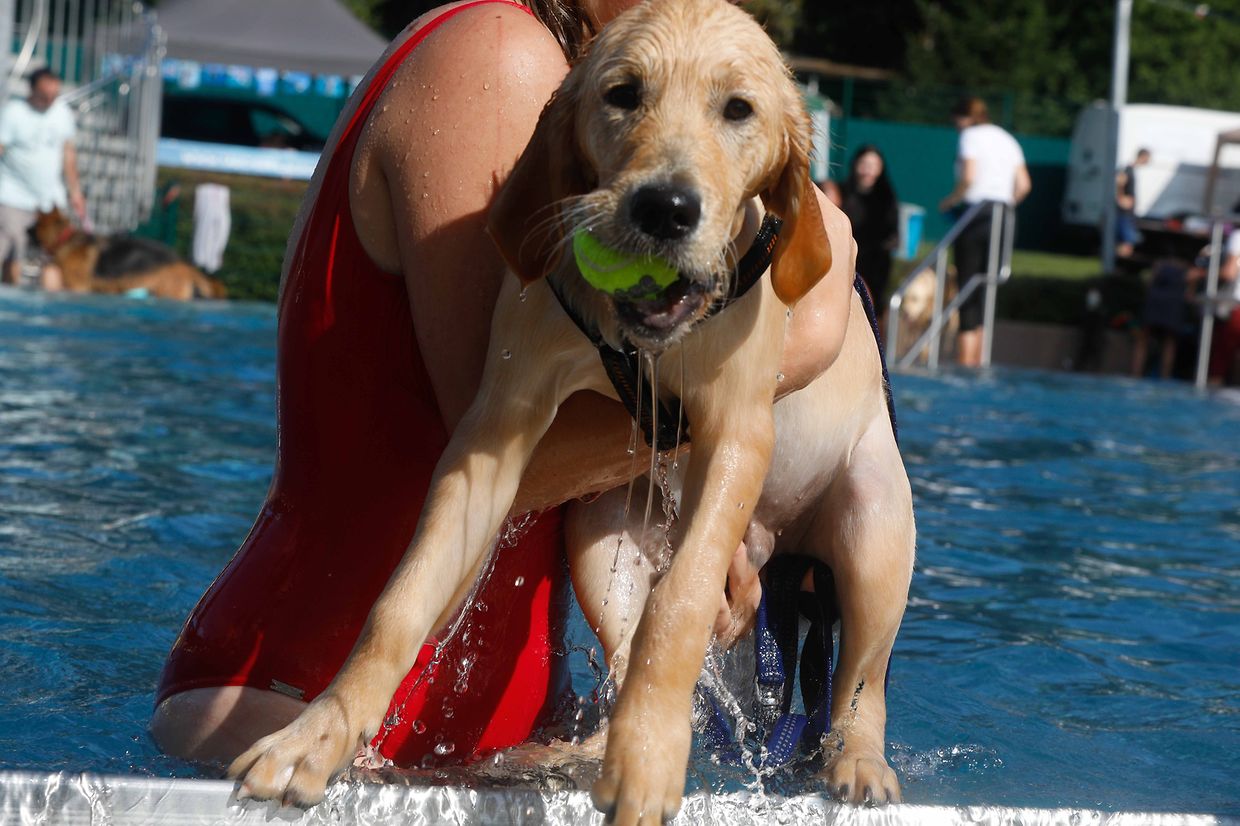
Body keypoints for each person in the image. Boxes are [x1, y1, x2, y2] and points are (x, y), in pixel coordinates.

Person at [149, 0, 858, 769]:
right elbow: (502, 459)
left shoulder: (594, 74)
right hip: (299, 702)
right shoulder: (497, 55)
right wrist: (790, 356)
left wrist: (700, 510)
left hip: (488, 741)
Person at [939, 96, 1031, 367]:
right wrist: (1007, 204)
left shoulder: (970, 136)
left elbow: (968, 177)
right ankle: (979, 360)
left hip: (975, 214)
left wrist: (951, 200)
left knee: (967, 286)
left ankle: (966, 363)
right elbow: (1024, 185)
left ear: (963, 118)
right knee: (986, 289)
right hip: (1003, 216)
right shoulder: (1007, 139)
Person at [0, 68, 86, 287]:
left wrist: (75, 192)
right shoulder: (13, 112)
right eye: (44, 95)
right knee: (13, 253)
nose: (49, 100)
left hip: (50, 201)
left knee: (55, 258)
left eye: (54, 95)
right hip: (13, 197)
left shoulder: (62, 113)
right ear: (32, 90)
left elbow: (68, 153)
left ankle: (51, 312)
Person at [833, 145, 899, 321]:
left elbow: (892, 232)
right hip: (847, 259)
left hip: (875, 263)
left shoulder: (886, 198)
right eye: (864, 164)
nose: (868, 171)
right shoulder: (842, 192)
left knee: (873, 309)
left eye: (873, 165)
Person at [1115, 148, 1150, 260]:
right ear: (1143, 156)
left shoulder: (1132, 169)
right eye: (1147, 158)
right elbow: (1120, 182)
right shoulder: (1128, 169)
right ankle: (1118, 261)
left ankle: (1119, 262)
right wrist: (1120, 198)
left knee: (1128, 241)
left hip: (1129, 210)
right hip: (1125, 210)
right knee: (1127, 241)